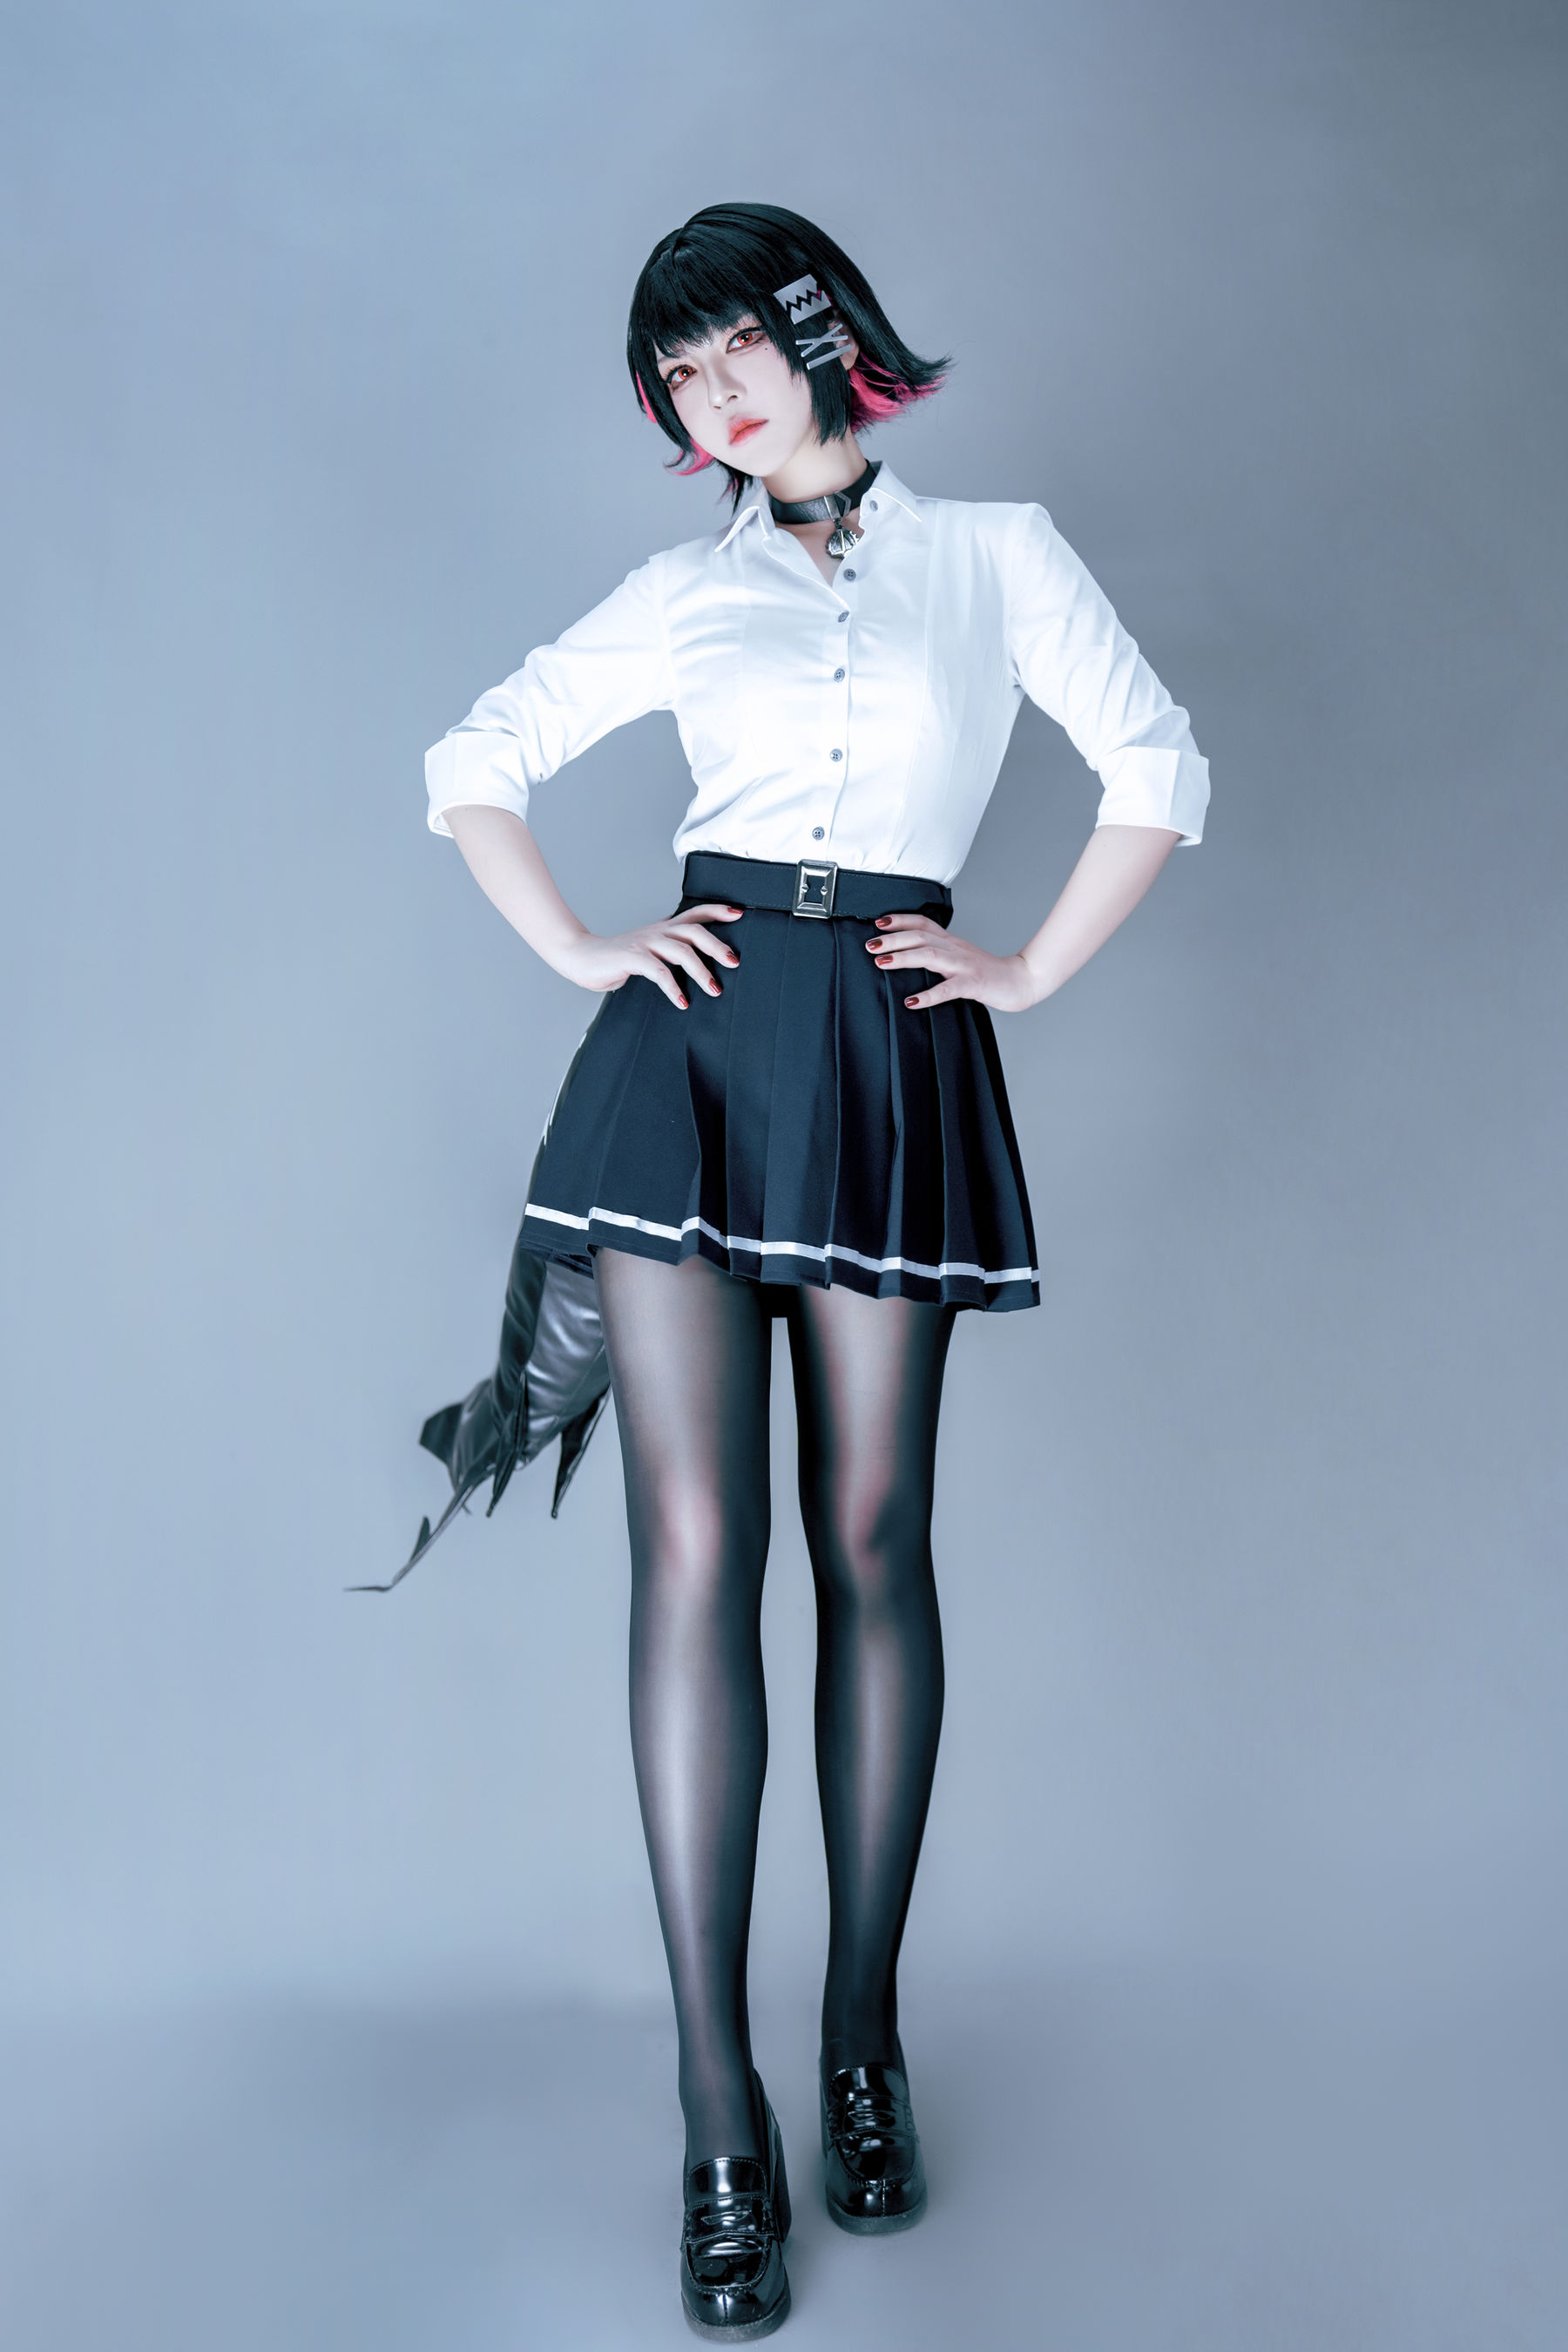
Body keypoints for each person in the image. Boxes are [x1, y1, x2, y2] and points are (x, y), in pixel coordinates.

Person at [421, 201, 1208, 2339]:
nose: (715, 395)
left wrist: (1024, 967)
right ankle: (718, 2111)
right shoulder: (687, 596)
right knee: (695, 1555)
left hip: (888, 1054)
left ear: (820, 326)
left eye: (734, 347)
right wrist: (585, 946)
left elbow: (1160, 766)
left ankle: (861, 2041)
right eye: (677, 378)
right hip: (685, 1067)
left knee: (872, 1542)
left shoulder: (1000, 558)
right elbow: (472, 763)